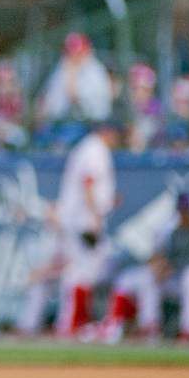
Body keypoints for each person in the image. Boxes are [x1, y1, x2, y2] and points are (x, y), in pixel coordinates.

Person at [15, 121, 120, 337]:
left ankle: (31, 323)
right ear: (107, 131)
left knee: (58, 271)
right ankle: (71, 324)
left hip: (69, 220)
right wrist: (95, 218)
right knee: (82, 272)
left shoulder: (85, 148)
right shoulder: (95, 149)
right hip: (82, 221)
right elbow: (88, 183)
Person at [95, 192, 189, 343]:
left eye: (187, 211)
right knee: (150, 277)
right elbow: (158, 256)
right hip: (174, 279)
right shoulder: (171, 232)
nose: (184, 214)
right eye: (181, 211)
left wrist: (172, 267)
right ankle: (150, 327)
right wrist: (160, 266)